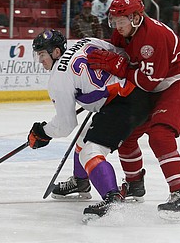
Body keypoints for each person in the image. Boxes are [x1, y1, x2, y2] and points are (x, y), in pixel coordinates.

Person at [85, 0, 180, 222]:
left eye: (121, 20)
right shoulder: (122, 32)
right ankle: (135, 184)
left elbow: (148, 81)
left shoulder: (154, 36)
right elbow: (118, 63)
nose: (117, 26)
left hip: (175, 86)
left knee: (160, 135)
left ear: (136, 17)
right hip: (149, 90)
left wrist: (120, 69)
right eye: (114, 21)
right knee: (126, 135)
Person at [28, 29, 151, 221]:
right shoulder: (86, 41)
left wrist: (42, 132)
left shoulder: (58, 78)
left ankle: (112, 199)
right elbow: (121, 54)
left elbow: (65, 124)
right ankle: (81, 182)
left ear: (56, 52)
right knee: (83, 138)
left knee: (90, 152)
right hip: (137, 92)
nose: (40, 60)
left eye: (42, 54)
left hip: (124, 104)